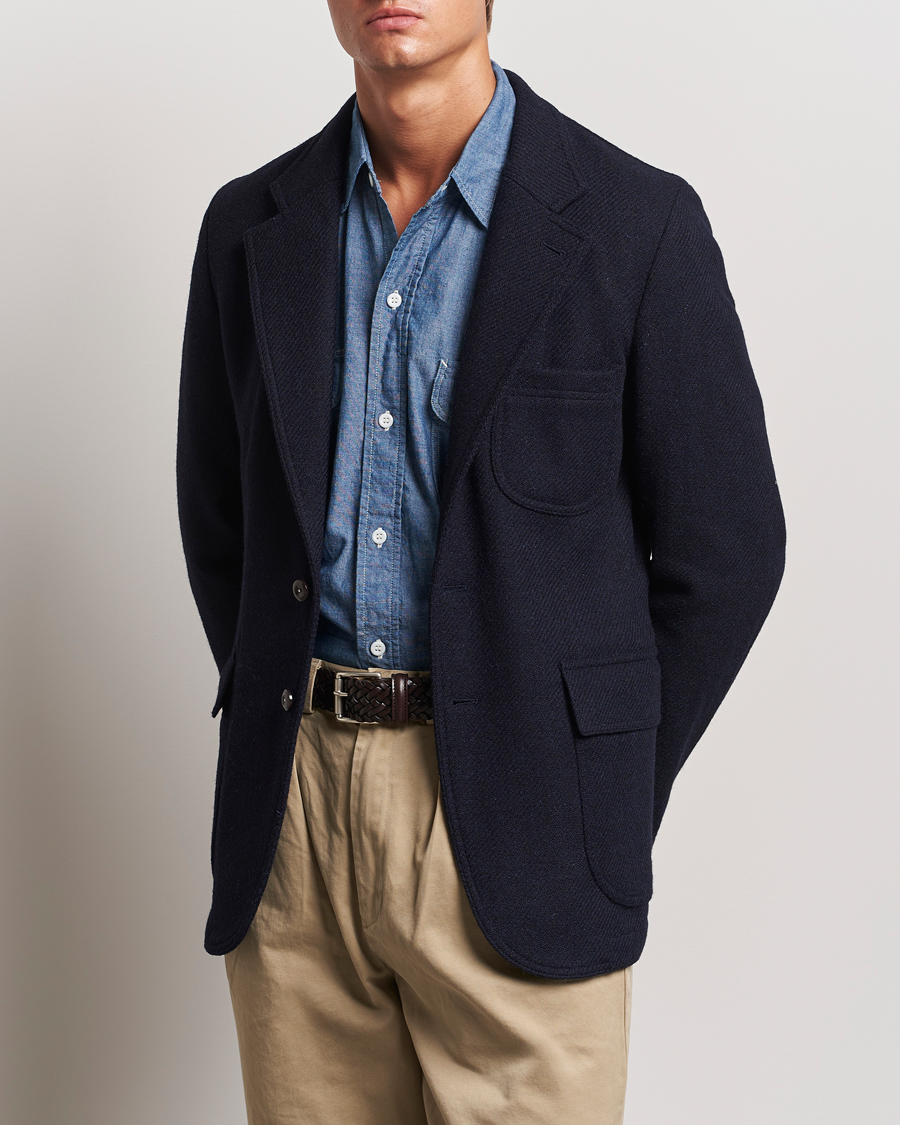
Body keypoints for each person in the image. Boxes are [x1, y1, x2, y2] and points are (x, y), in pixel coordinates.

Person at [176, 1, 786, 1121]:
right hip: (294, 823)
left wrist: (591, 777)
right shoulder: (248, 224)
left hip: (527, 821)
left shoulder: (637, 224)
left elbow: (730, 552)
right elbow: (223, 526)